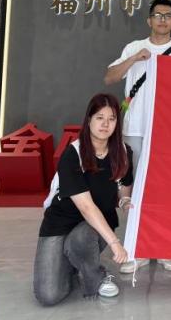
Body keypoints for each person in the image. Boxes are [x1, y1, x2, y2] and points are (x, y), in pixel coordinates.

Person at [105, 0, 171, 272]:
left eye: (168, 16)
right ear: (149, 20)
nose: (163, 20)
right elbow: (110, 77)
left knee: (165, 189)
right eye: (158, 15)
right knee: (134, 190)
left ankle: (164, 247)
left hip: (167, 132)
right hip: (135, 129)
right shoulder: (134, 47)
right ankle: (135, 248)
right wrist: (134, 59)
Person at [34, 93, 132, 305]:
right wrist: (115, 243)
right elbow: (86, 207)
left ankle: (96, 275)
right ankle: (76, 263)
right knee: (48, 295)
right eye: (99, 117)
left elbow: (125, 181)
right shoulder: (73, 155)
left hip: (93, 227)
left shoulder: (123, 152)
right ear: (89, 120)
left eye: (111, 119)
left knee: (82, 239)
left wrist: (124, 200)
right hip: (61, 224)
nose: (105, 124)